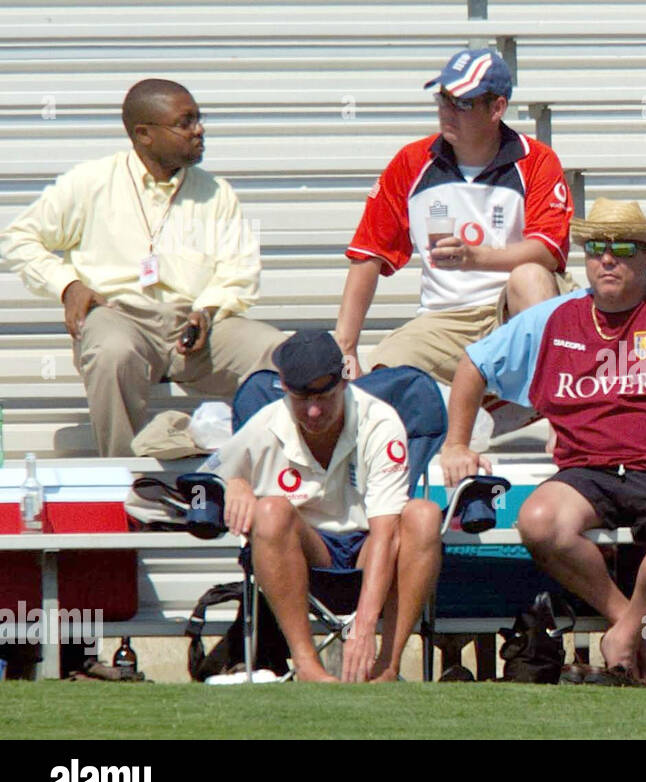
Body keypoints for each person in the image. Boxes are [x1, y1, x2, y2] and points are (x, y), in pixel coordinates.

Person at [439, 198, 646, 686]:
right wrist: (456, 443)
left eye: (623, 247)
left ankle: (624, 632)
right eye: (596, 247)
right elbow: (474, 363)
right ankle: (634, 631)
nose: (607, 258)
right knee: (539, 521)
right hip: (588, 469)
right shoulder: (556, 316)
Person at [0, 78, 285, 457]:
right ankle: (119, 477)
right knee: (111, 352)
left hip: (195, 325)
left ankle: (271, 472)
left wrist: (209, 308)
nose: (198, 130)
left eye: (199, 119)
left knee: (280, 354)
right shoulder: (92, 182)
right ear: (144, 135)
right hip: (118, 315)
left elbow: (239, 269)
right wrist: (68, 286)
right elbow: (17, 238)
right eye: (185, 123)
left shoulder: (216, 193)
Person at [335, 48, 574, 435]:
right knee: (380, 379)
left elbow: (548, 251)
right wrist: (345, 348)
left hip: (508, 309)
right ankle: (487, 411)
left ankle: (564, 420)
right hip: (444, 318)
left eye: (461, 102)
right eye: (442, 98)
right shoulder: (412, 162)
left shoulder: (536, 160)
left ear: (497, 107)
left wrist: (475, 257)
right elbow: (368, 254)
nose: (447, 110)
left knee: (529, 277)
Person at [203, 330, 443, 682]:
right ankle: (308, 667)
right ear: (284, 387)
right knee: (270, 511)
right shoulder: (267, 423)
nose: (314, 411)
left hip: (369, 549)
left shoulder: (380, 420)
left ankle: (387, 666)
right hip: (307, 555)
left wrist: (364, 625)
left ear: (344, 381)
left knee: (424, 515)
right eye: (302, 397)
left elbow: (386, 533)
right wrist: (235, 483)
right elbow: (206, 478)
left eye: (325, 396)